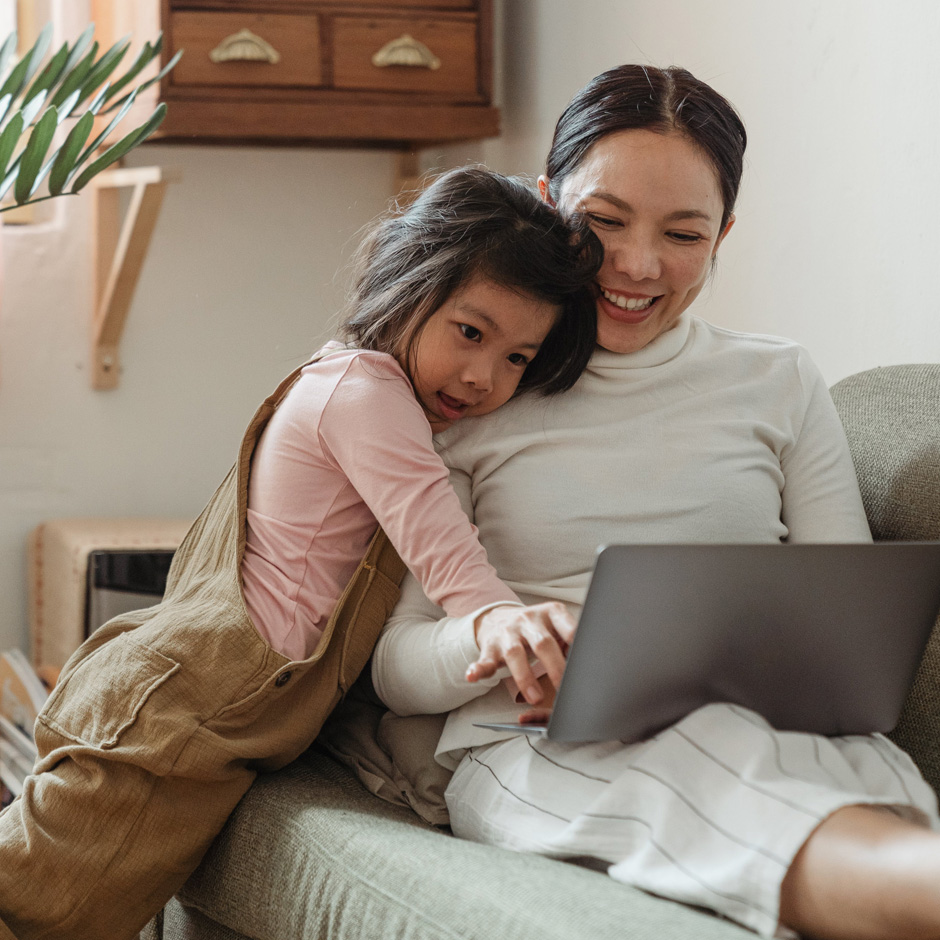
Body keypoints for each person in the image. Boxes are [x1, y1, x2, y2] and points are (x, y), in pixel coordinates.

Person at [371, 67, 940, 940]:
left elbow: (855, 638)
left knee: (859, 781)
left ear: (723, 236)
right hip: (540, 745)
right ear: (547, 201)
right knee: (721, 780)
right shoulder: (478, 388)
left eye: (684, 233)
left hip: (774, 726)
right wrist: (495, 637)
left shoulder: (779, 380)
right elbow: (396, 666)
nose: (637, 266)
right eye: (602, 222)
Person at [0, 167, 601, 940]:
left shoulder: (356, 384)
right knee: (35, 908)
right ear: (409, 280)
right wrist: (497, 619)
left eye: (519, 358)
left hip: (205, 713)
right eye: (470, 332)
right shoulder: (366, 396)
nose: (484, 376)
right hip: (181, 712)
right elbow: (440, 540)